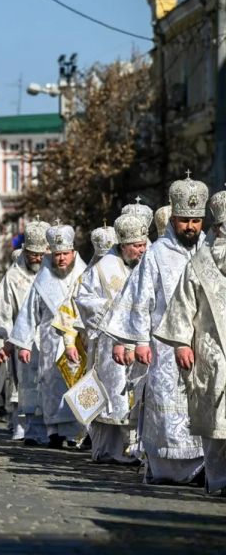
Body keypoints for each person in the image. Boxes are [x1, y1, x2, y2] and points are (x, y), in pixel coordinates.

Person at [102, 175, 207, 484]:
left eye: (196, 220)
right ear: (173, 218)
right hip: (163, 345)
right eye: (185, 219)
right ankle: (166, 470)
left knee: (201, 405)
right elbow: (138, 299)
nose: (190, 226)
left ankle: (204, 468)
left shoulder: (211, 251)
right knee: (167, 407)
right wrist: (136, 341)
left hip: (204, 343)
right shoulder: (157, 254)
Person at [155, 188, 226, 494]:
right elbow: (183, 305)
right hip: (211, 351)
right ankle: (219, 480)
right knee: (215, 424)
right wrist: (181, 343)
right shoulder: (200, 263)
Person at [70, 214, 148, 464]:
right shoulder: (102, 268)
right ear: (124, 245)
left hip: (141, 341)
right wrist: (115, 311)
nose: (142, 250)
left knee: (138, 394)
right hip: (109, 343)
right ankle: (108, 450)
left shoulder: (147, 264)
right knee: (113, 396)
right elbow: (83, 298)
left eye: (144, 244)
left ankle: (136, 448)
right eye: (137, 246)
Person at [9, 223, 87, 449]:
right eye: (57, 254)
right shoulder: (42, 280)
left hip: (78, 343)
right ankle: (53, 432)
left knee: (76, 385)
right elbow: (28, 312)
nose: (61, 259)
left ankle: (77, 434)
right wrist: (23, 343)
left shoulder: (85, 274)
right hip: (48, 343)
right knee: (50, 386)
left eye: (65, 254)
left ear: (73, 253)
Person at [0, 221, 48, 440]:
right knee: (24, 385)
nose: (38, 259)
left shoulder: (55, 274)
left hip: (51, 338)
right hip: (23, 340)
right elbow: (2, 309)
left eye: (41, 254)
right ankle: (25, 427)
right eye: (33, 255)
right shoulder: (14, 276)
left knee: (51, 384)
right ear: (26, 251)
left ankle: (55, 429)